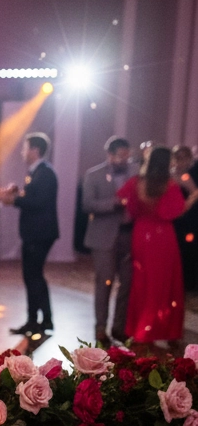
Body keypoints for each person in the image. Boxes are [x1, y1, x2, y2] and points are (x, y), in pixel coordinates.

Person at [117, 145, 196, 347]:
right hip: (163, 237)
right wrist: (194, 197)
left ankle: (142, 329)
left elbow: (125, 201)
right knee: (166, 283)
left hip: (141, 233)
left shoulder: (137, 182)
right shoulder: (169, 185)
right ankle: (167, 332)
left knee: (143, 283)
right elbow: (175, 212)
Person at [1, 132, 59, 338]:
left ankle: (38, 321)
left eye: (25, 148)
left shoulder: (45, 173)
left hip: (39, 234)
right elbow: (35, 196)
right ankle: (41, 320)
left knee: (33, 276)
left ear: (35, 150)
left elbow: (40, 202)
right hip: (36, 233)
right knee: (33, 277)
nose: (22, 152)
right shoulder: (38, 172)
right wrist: (20, 193)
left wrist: (14, 200)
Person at [81, 136, 136, 345]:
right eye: (121, 156)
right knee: (105, 282)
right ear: (110, 155)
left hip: (130, 235)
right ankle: (101, 328)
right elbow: (87, 204)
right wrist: (115, 203)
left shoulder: (135, 173)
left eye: (127, 155)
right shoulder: (94, 175)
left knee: (128, 283)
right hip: (103, 236)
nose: (125, 160)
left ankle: (120, 327)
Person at [172, 144, 198, 293]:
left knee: (186, 250)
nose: (181, 161)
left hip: (186, 220)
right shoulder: (168, 174)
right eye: (178, 158)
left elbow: (195, 193)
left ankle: (187, 284)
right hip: (170, 219)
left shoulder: (187, 176)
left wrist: (184, 207)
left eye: (185, 158)